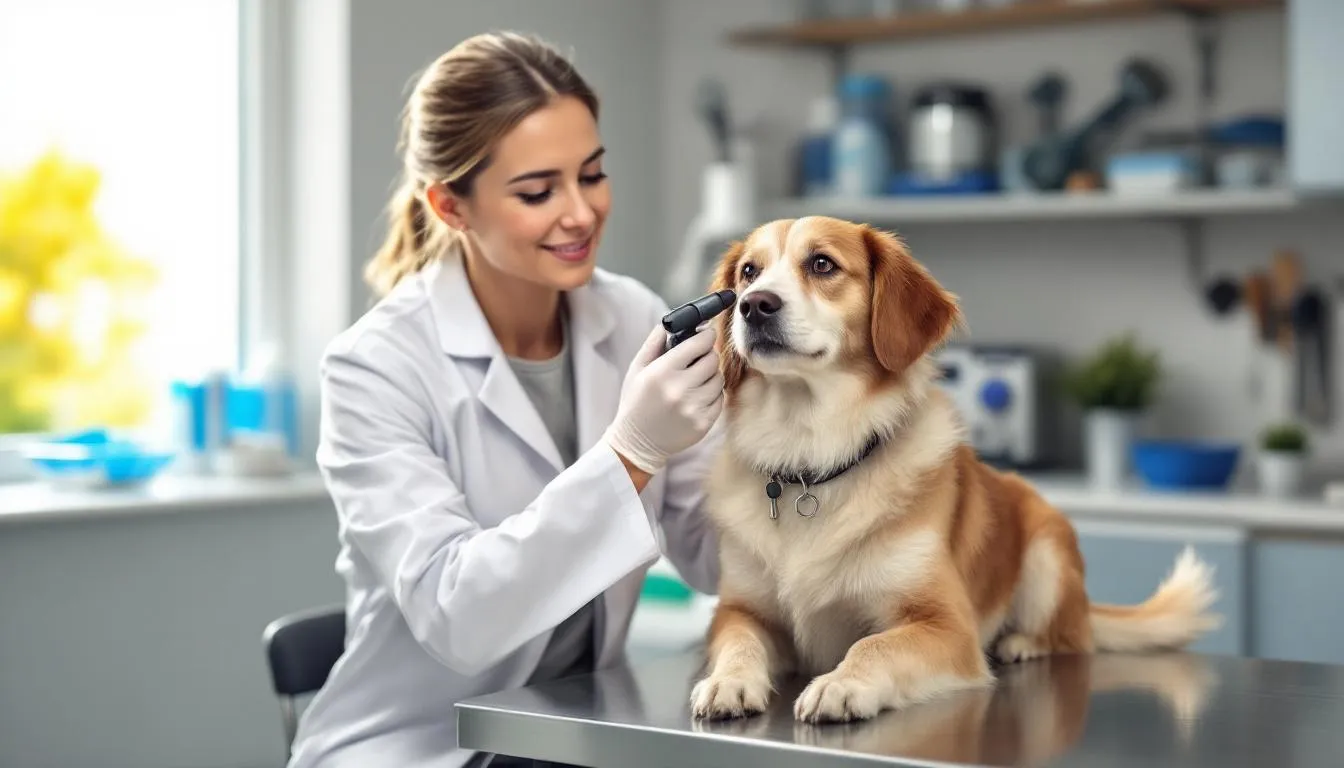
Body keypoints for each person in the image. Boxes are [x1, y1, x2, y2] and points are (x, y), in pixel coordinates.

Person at [287, 31, 725, 768]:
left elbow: (716, 556)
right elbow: (461, 617)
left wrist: (810, 474)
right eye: (537, 191)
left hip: (572, 739)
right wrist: (631, 453)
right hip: (421, 748)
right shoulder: (374, 368)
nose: (581, 213)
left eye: (592, 175)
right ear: (450, 206)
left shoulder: (630, 318)